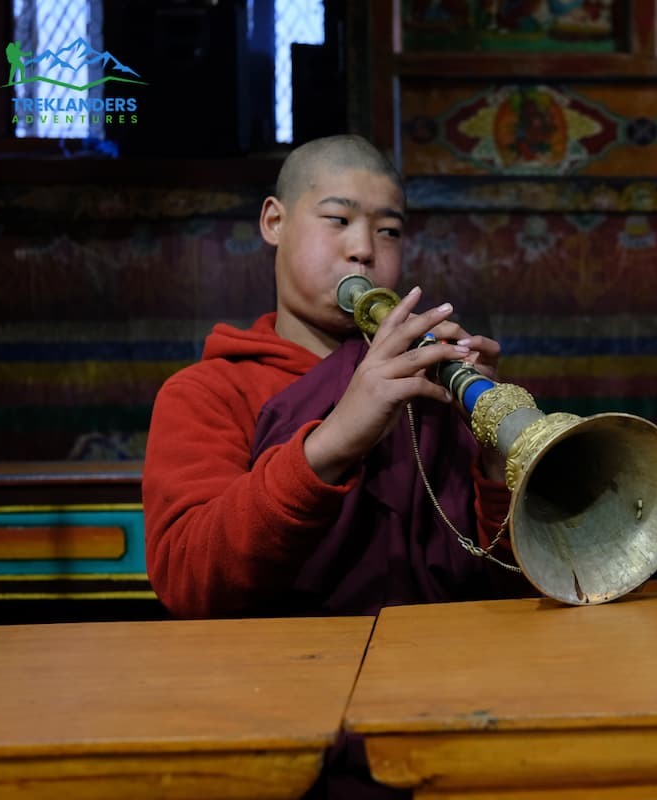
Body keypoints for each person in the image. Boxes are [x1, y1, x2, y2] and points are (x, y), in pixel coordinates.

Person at [142, 134, 527, 621]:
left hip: (443, 666)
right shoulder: (207, 393)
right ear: (274, 222)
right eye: (338, 221)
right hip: (284, 674)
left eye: (388, 231)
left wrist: (496, 456)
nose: (363, 250)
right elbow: (189, 582)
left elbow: (507, 578)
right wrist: (336, 441)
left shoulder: (429, 382)